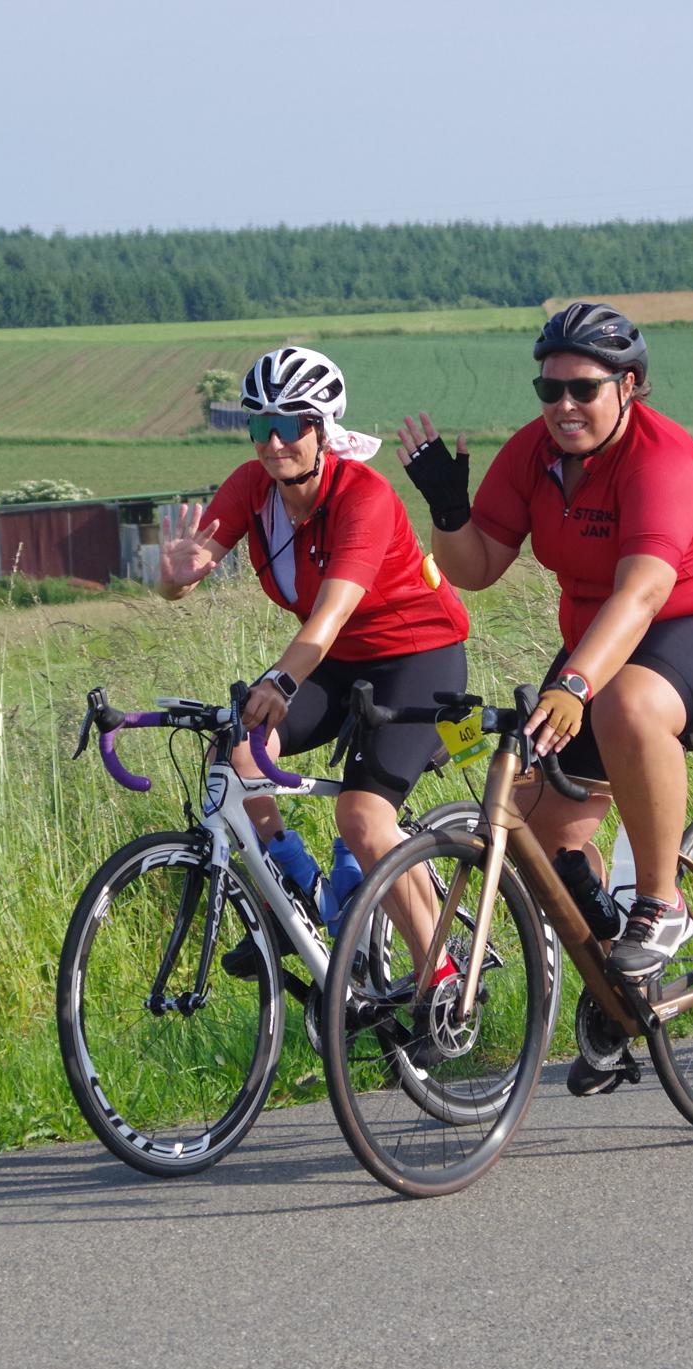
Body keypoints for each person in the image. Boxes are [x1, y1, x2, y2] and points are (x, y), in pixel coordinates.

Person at [396, 301, 693, 1013]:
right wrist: (449, 512)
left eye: (584, 388)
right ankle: (621, 990)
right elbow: (476, 568)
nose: (564, 405)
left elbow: (644, 591)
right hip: (610, 636)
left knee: (628, 706)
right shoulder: (534, 453)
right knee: (537, 826)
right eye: (550, 389)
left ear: (628, 386)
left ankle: (661, 904)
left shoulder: (660, 461)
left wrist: (576, 684)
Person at [158, 345, 471, 974]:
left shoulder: (364, 496)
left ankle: (438, 977)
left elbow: (330, 613)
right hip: (336, 660)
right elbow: (188, 576)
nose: (273, 443)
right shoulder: (252, 489)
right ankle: (294, 893)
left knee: (362, 816)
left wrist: (279, 680)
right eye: (259, 425)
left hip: (418, 658)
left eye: (289, 424)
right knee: (236, 751)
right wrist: (172, 579)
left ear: (323, 428)